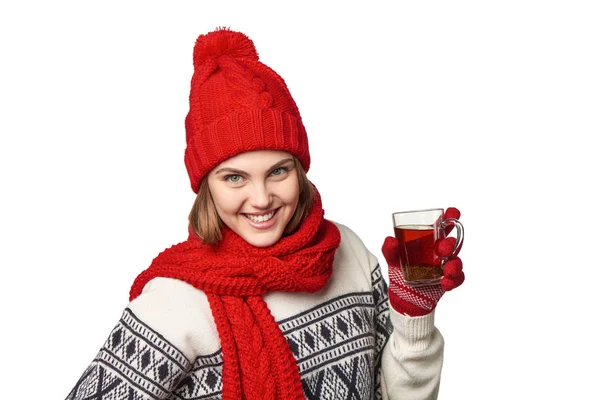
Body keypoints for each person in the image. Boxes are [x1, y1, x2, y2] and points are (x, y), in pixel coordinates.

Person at [66, 27, 465, 400]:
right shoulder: (176, 301)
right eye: (235, 178)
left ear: (300, 169)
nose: (260, 199)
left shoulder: (349, 253)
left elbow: (396, 394)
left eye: (278, 171)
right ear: (206, 185)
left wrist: (414, 316)